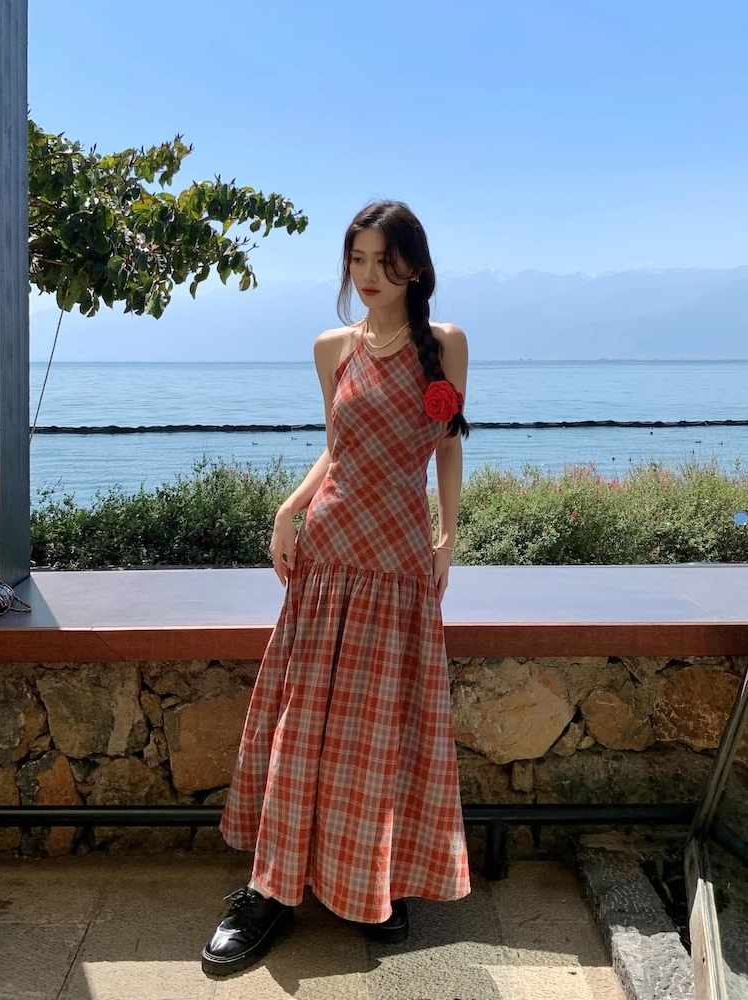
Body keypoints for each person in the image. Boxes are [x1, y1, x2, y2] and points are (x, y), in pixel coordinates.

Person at [202, 199, 472, 977]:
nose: (368, 275)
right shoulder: (332, 348)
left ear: (414, 265)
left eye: (384, 259)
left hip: (397, 555)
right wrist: (288, 510)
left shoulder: (445, 345)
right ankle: (270, 891)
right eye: (357, 259)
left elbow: (447, 446)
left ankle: (373, 879)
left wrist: (448, 536)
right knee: (305, 721)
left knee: (380, 725)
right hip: (329, 551)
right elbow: (337, 448)